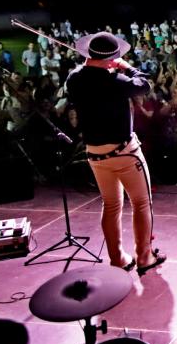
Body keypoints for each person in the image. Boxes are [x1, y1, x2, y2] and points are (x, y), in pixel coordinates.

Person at [66, 31, 165, 274]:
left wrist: (105, 66)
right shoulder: (116, 81)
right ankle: (144, 256)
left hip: (95, 154)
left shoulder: (74, 79)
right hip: (124, 153)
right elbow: (144, 84)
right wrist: (126, 67)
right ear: (111, 59)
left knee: (111, 205)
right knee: (142, 203)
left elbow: (86, 74)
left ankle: (117, 258)